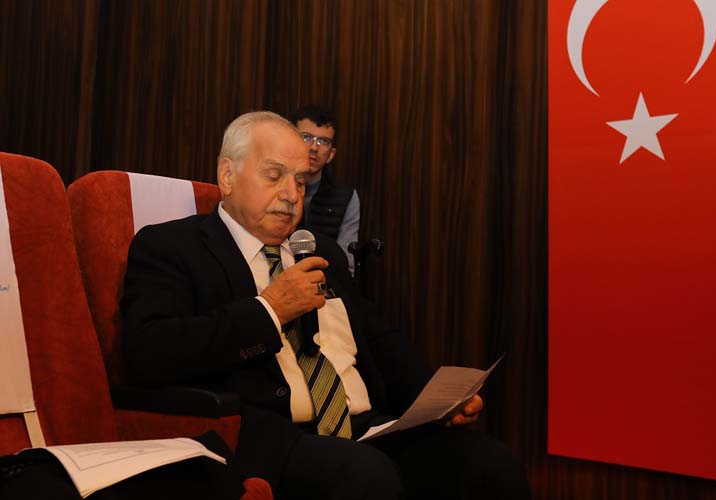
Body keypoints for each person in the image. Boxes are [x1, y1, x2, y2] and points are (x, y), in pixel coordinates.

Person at [121, 111, 530, 500]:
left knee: (491, 465)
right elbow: (150, 351)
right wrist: (270, 310)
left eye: (301, 182)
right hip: (272, 435)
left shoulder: (322, 252)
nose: (290, 195)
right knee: (365, 475)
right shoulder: (172, 247)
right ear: (227, 175)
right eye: (274, 176)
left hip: (366, 428)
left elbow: (378, 339)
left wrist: (437, 400)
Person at [289, 105, 360, 275]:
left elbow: (347, 264)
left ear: (331, 154)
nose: (314, 147)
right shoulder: (273, 189)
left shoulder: (346, 197)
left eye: (323, 141)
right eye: (306, 137)